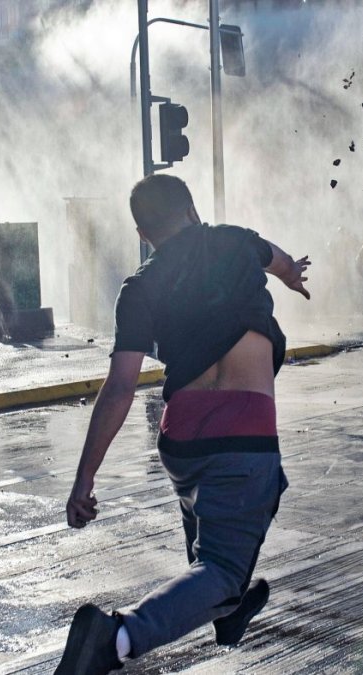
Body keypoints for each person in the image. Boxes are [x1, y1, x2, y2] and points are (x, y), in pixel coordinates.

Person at [55, 175, 312, 675]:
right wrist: (290, 276)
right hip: (244, 435)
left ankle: (231, 611)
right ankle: (118, 637)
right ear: (193, 210)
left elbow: (120, 388)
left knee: (235, 504)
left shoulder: (139, 287)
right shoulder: (235, 241)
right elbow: (278, 259)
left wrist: (84, 479)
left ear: (142, 233)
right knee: (221, 564)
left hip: (182, 440)